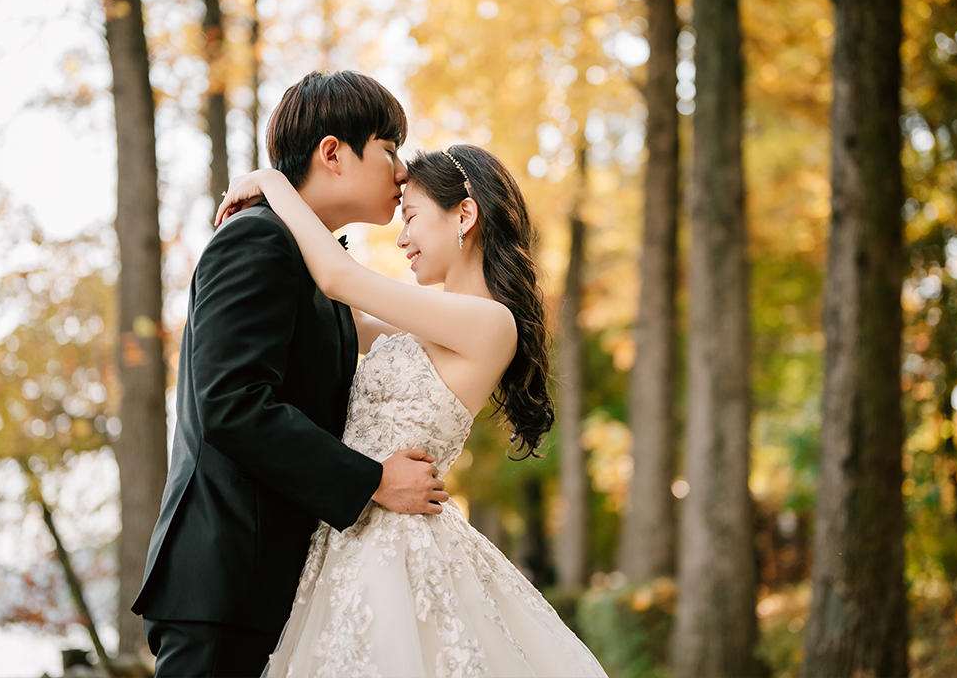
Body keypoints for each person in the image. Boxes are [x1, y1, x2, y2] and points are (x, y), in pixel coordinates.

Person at [215, 144, 607, 677]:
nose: (401, 238)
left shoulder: (492, 325)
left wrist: (274, 182)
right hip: (347, 537)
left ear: (464, 215)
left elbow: (340, 281)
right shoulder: (423, 329)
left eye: (412, 217)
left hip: (400, 552)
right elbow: (337, 317)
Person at [132, 71, 450, 678]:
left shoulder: (317, 263)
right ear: (333, 153)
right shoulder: (255, 240)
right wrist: (372, 481)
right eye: (390, 150)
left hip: (277, 585)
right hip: (227, 585)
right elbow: (231, 403)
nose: (403, 172)